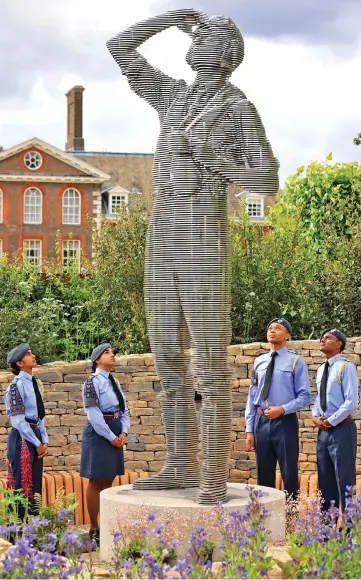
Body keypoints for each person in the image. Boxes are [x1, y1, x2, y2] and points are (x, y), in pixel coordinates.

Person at [106, 9, 279, 504]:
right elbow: (120, 47)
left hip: (203, 234)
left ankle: (212, 476)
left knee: (208, 359)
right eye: (195, 33)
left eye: (207, 35)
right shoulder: (174, 95)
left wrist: (211, 155)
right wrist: (171, 16)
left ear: (226, 52)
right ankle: (180, 465)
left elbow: (266, 179)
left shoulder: (238, 108)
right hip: (161, 235)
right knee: (167, 356)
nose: (194, 39)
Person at [245, 318, 311, 499]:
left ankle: (290, 519)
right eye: (270, 328)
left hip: (285, 422)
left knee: (289, 471)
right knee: (263, 473)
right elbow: (253, 396)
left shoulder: (296, 361)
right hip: (261, 421)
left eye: (278, 328)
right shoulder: (259, 361)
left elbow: (305, 396)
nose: (272, 331)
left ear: (287, 335)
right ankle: (264, 520)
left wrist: (282, 409)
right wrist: (250, 429)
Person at [80, 343, 130, 545]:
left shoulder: (114, 381)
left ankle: (107, 524)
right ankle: (94, 527)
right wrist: (111, 437)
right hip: (99, 434)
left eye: (112, 352)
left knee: (108, 480)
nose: (113, 355)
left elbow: (124, 409)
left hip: (116, 431)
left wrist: (124, 431)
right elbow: (94, 415)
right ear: (97, 360)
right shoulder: (91, 383)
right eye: (107, 353)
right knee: (95, 480)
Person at [312, 328, 359, 513]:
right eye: (322, 337)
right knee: (325, 480)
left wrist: (330, 421)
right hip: (323, 431)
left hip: (341, 430)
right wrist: (316, 417)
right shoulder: (321, 369)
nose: (322, 340)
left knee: (344, 480)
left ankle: (347, 533)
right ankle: (326, 531)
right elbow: (318, 397)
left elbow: (351, 401)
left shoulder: (346, 367)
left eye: (328, 338)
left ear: (339, 343)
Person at [5, 343, 48, 520]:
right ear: (20, 363)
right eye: (28, 354)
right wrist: (37, 443)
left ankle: (33, 531)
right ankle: (16, 535)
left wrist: (44, 440)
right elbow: (18, 421)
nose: (33, 355)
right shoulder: (15, 387)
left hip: (36, 435)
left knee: (35, 487)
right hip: (22, 438)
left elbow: (40, 415)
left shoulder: (35, 383)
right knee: (21, 486)